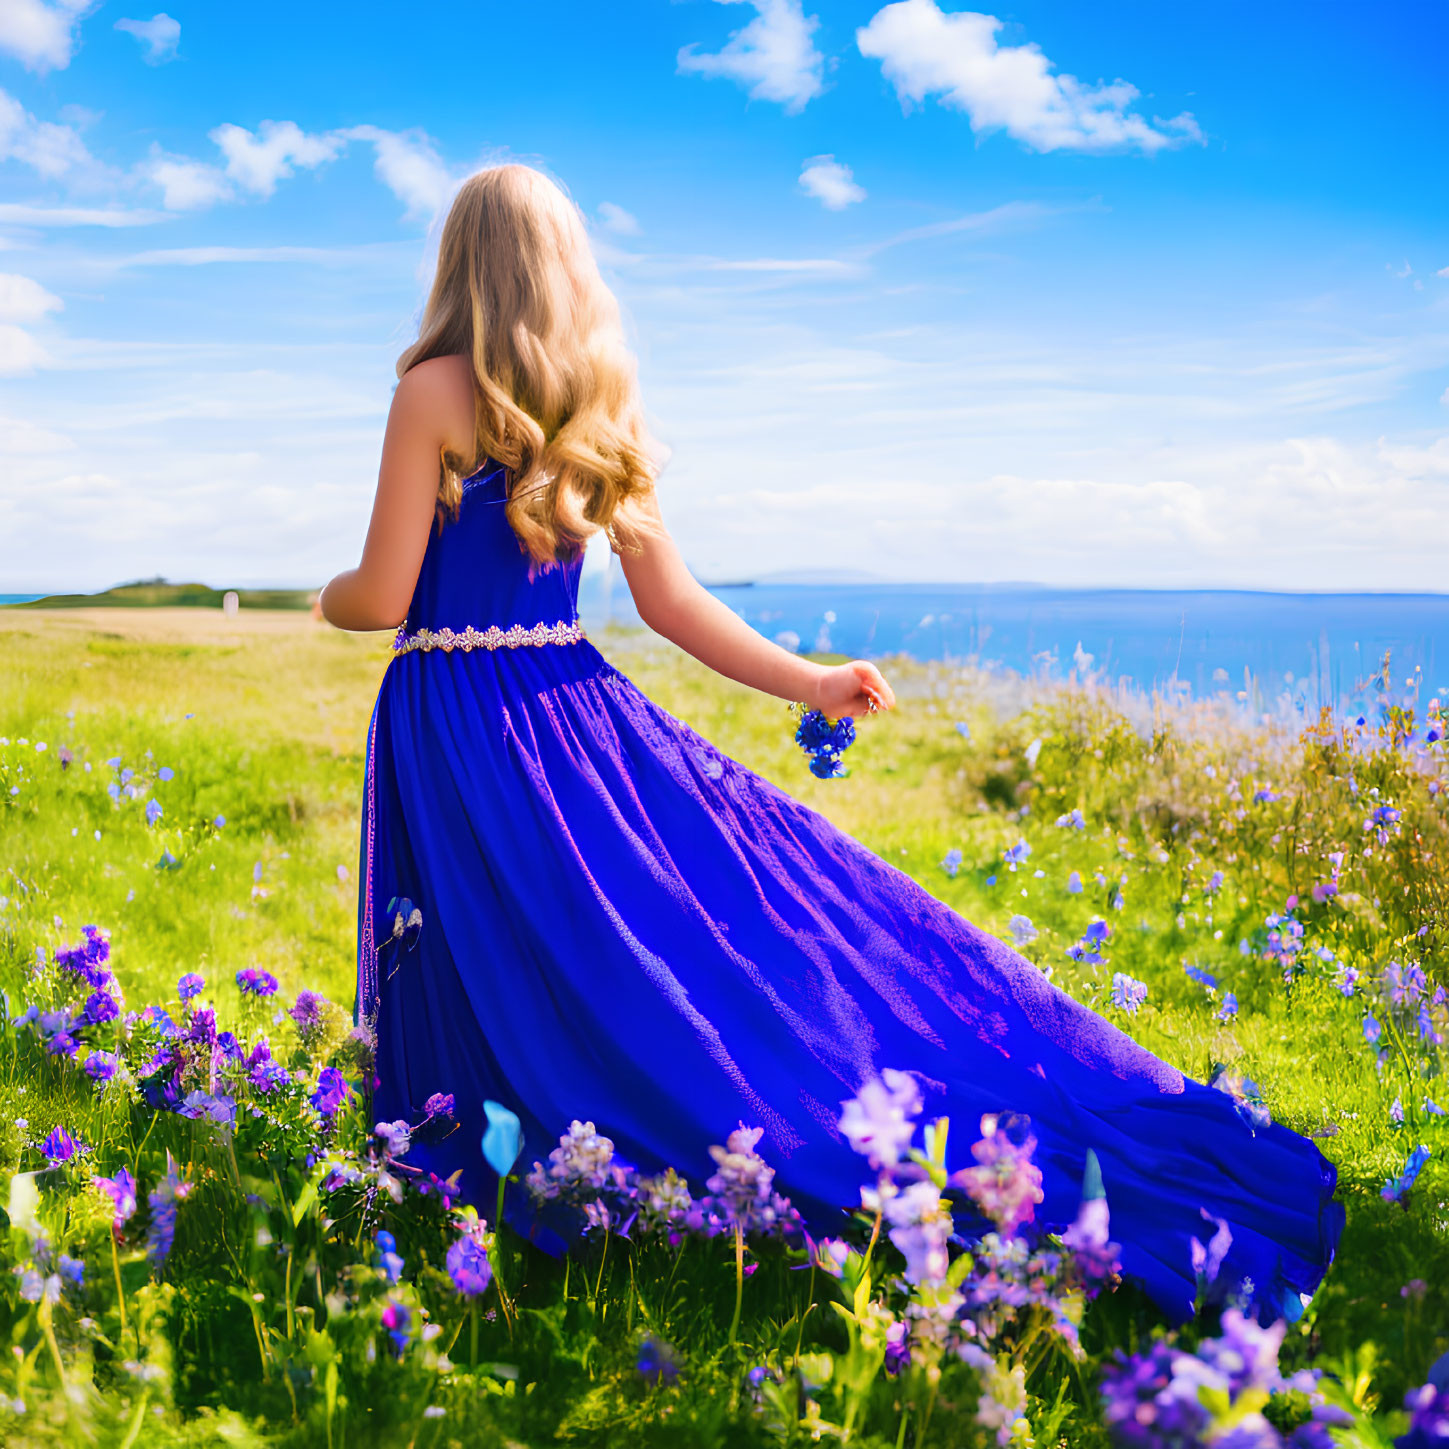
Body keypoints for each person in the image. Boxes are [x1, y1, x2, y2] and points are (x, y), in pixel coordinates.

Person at [320, 164, 1340, 1322]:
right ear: (564, 270)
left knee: (488, 935)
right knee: (612, 944)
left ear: (459, 263)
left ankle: (498, 1160)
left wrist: (327, 595)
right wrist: (808, 677)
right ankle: (582, 1150)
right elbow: (672, 604)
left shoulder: (432, 394)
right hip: (570, 709)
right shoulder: (599, 409)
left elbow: (384, 590)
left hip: (458, 714)